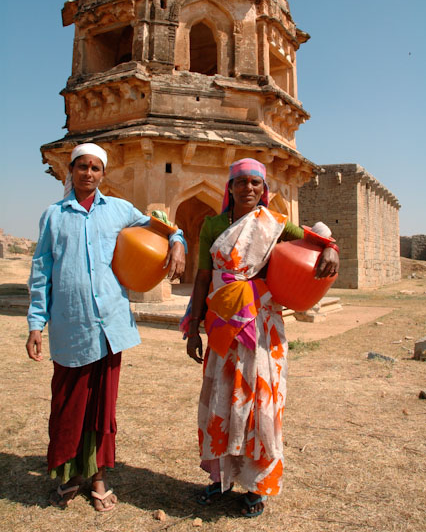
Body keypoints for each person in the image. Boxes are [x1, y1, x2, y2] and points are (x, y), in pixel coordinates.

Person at [26, 143, 186, 512]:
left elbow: (164, 226)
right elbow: (41, 271)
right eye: (82, 166)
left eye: (96, 168)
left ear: (103, 174)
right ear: (72, 170)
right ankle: (70, 474)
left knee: (102, 406)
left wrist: (177, 243)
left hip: (109, 324)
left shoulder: (119, 210)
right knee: (68, 402)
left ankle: (98, 475)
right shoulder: (53, 216)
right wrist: (36, 323)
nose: (88, 173)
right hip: (70, 324)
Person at [182, 158, 338, 518]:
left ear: (263, 188)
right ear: (230, 187)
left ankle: (257, 486)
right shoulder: (213, 225)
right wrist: (193, 327)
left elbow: (318, 240)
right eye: (241, 182)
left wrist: (331, 247)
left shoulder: (275, 225)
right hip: (223, 323)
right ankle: (222, 477)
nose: (248, 189)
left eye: (255, 183)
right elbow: (203, 279)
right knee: (221, 401)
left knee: (260, 405)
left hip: (262, 326)